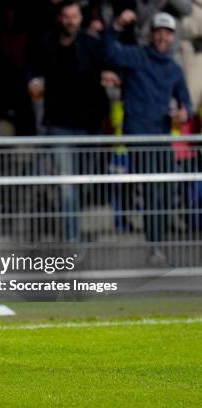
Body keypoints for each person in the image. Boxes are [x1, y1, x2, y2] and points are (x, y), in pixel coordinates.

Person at [106, 10, 192, 265]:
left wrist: (183, 112)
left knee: (165, 191)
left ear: (173, 36)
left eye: (167, 33)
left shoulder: (174, 68)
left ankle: (159, 244)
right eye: (159, 32)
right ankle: (155, 245)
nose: (163, 37)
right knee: (152, 191)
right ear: (152, 34)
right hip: (139, 137)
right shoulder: (138, 56)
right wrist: (117, 26)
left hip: (162, 137)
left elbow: (186, 102)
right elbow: (110, 51)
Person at [28, 0, 111, 242]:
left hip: (89, 124)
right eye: (66, 16)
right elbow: (33, 69)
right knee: (67, 183)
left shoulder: (92, 44)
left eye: (74, 16)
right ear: (60, 18)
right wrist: (33, 80)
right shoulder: (47, 43)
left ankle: (72, 227)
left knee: (83, 181)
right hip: (59, 124)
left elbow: (108, 65)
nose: (70, 21)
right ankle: (71, 238)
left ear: (80, 18)